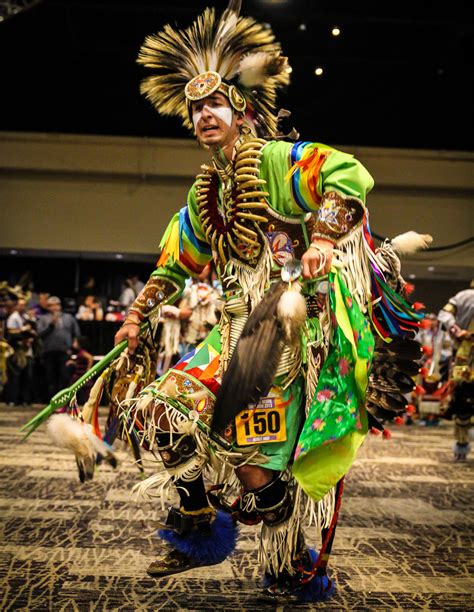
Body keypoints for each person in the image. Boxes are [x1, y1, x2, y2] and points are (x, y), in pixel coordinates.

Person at [112, 1, 425, 601]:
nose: (204, 115)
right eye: (196, 108)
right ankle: (200, 528)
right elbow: (177, 262)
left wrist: (327, 237)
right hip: (227, 333)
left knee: (258, 468)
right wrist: (136, 315)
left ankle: (287, 563)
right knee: (157, 413)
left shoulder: (282, 163)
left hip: (282, 335)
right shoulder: (205, 191)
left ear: (240, 112)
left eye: (215, 105)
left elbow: (349, 173)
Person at [438, 283, 473, 460]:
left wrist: (455, 329)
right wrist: (457, 330)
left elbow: (444, 314)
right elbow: (444, 314)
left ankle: (462, 444)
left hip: (463, 356)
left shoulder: (463, 296)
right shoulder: (465, 296)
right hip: (464, 357)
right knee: (462, 398)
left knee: (462, 398)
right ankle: (461, 443)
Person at [37, 296, 81, 397]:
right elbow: (39, 334)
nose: (54, 307)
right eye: (51, 305)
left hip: (64, 351)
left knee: (64, 376)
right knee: (50, 377)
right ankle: (52, 400)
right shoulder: (43, 319)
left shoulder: (68, 318)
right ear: (48, 307)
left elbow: (76, 333)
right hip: (48, 351)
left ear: (60, 306)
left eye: (56, 304)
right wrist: (51, 325)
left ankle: (64, 399)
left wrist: (75, 343)